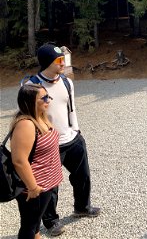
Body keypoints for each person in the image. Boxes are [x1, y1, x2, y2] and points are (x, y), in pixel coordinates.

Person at [30, 44, 100, 237]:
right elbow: (28, 116)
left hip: (72, 138)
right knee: (50, 186)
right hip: (49, 143)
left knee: (83, 176)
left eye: (63, 60)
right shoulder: (32, 85)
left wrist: (76, 131)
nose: (63, 64)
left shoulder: (67, 83)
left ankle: (82, 207)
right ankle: (51, 222)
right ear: (47, 63)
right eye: (59, 60)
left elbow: (72, 108)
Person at [11, 84, 63, 239]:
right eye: (44, 98)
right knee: (29, 226)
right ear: (30, 102)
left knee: (35, 224)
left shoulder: (40, 117)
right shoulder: (26, 124)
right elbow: (19, 160)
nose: (49, 100)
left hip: (46, 184)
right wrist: (33, 187)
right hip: (35, 188)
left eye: (49, 96)